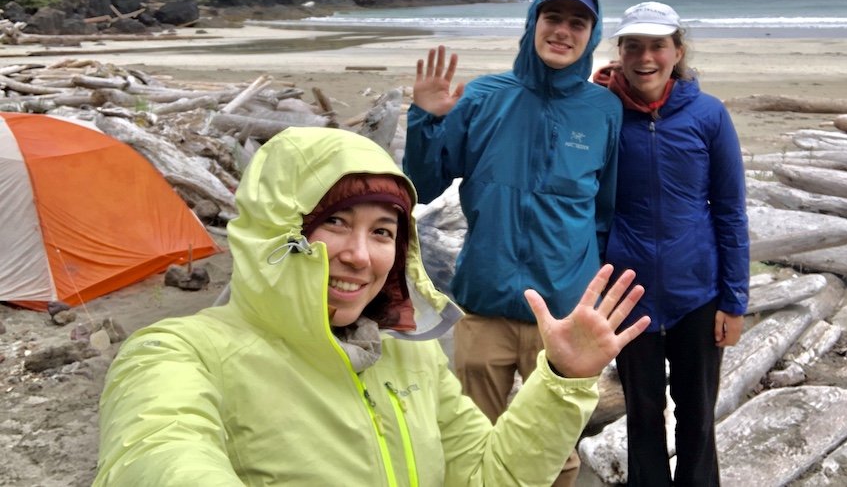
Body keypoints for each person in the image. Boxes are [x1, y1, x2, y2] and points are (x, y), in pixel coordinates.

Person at [93, 126, 650, 486]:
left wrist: (560, 380)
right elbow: (158, 454)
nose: (360, 255)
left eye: (383, 231)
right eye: (334, 222)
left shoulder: (408, 354)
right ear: (276, 229)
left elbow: (487, 476)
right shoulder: (177, 355)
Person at [404, 0, 622, 485]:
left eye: (578, 23)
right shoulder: (482, 97)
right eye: (554, 19)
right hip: (484, 302)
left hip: (563, 314)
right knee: (471, 443)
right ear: (533, 25)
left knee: (556, 450)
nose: (563, 32)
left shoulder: (604, 110)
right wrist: (424, 119)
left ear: (591, 35)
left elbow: (605, 208)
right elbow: (421, 183)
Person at [592, 1, 750, 486]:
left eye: (658, 45)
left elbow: (729, 210)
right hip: (626, 296)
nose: (646, 57)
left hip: (697, 295)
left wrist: (734, 300)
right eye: (633, 45)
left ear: (676, 51)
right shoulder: (601, 113)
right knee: (643, 416)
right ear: (619, 54)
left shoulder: (708, 114)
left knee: (698, 419)